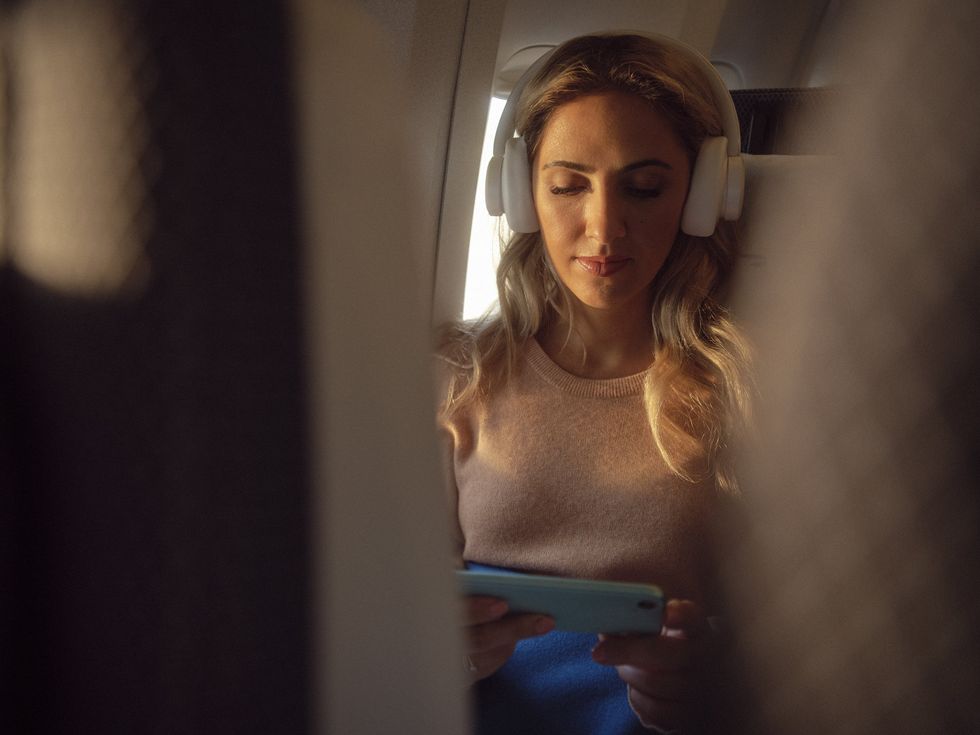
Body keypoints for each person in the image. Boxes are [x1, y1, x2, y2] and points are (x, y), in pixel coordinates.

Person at [437, 32, 752, 734]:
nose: (603, 227)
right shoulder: (452, 376)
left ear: (703, 194)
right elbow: (382, 622)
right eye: (567, 184)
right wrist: (444, 658)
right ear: (520, 194)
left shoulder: (750, 386)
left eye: (644, 187)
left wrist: (704, 693)